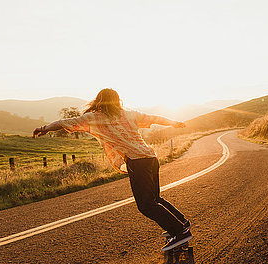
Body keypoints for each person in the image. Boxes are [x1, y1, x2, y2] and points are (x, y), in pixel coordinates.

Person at [32, 88, 192, 251]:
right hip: (151, 157)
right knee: (155, 199)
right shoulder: (130, 114)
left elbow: (64, 122)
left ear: (99, 101)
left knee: (145, 205)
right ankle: (182, 224)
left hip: (137, 162)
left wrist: (43, 128)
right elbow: (155, 118)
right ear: (117, 100)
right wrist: (174, 123)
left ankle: (179, 232)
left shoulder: (95, 118)